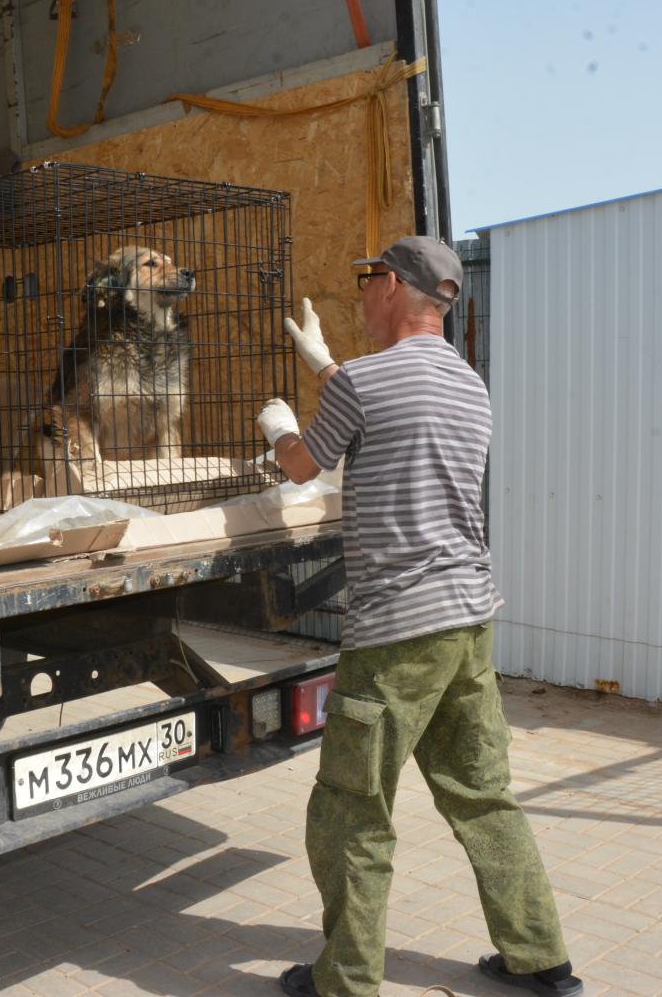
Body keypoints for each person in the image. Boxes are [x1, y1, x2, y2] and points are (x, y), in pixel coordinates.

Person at [256, 236, 581, 997]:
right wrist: (323, 365)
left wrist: (276, 427)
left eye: (368, 280)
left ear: (398, 289)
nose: (361, 293)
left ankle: (344, 981)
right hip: (468, 620)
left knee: (350, 810)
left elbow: (306, 464)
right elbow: (384, 407)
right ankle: (542, 961)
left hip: (395, 633)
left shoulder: (363, 383)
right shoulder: (470, 384)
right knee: (483, 796)